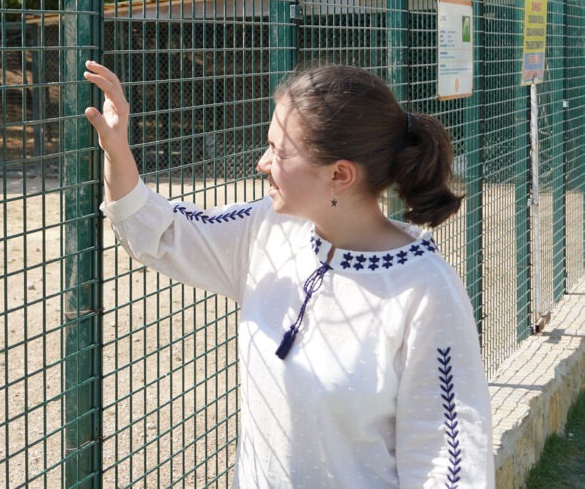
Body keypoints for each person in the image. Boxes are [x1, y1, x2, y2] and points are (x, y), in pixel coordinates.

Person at [84, 60, 493, 488]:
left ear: (339, 175)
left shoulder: (425, 290)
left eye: (278, 151)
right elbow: (161, 233)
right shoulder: (267, 229)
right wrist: (117, 149)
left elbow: (448, 460)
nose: (262, 162)